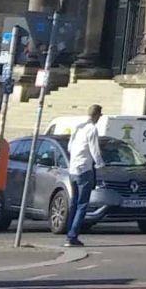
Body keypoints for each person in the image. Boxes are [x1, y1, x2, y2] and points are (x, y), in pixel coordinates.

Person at [63, 104, 106, 246]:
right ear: (96, 115)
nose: (99, 118)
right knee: (82, 204)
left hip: (73, 169)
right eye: (99, 115)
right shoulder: (92, 129)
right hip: (84, 170)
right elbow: (95, 150)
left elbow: (69, 147)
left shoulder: (78, 127)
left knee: (74, 203)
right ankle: (72, 236)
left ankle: (68, 233)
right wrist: (100, 165)